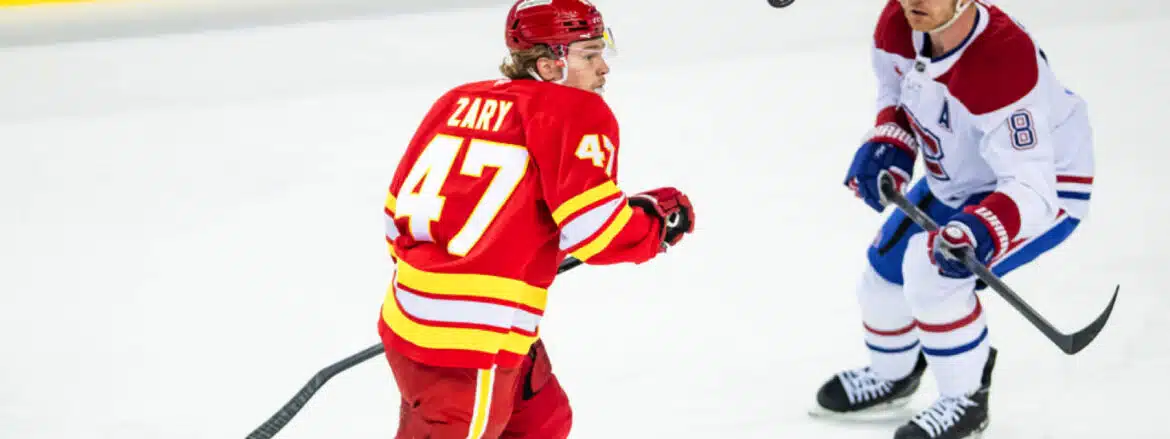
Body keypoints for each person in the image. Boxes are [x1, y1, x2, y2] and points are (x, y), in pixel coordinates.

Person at [376, 1, 696, 438]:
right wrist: (655, 224)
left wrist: (444, 288)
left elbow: (395, 213)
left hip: (419, 316)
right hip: (471, 343)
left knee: (542, 421)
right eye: (588, 54)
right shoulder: (572, 110)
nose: (603, 67)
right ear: (548, 66)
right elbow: (597, 233)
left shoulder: (457, 99)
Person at [810, 0, 1095, 438]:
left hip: (1046, 185)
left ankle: (966, 400)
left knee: (932, 273)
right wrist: (892, 141)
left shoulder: (1001, 58)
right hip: (960, 176)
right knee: (884, 268)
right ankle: (893, 373)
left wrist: (982, 229)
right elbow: (897, 93)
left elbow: (1032, 187)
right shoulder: (898, 23)